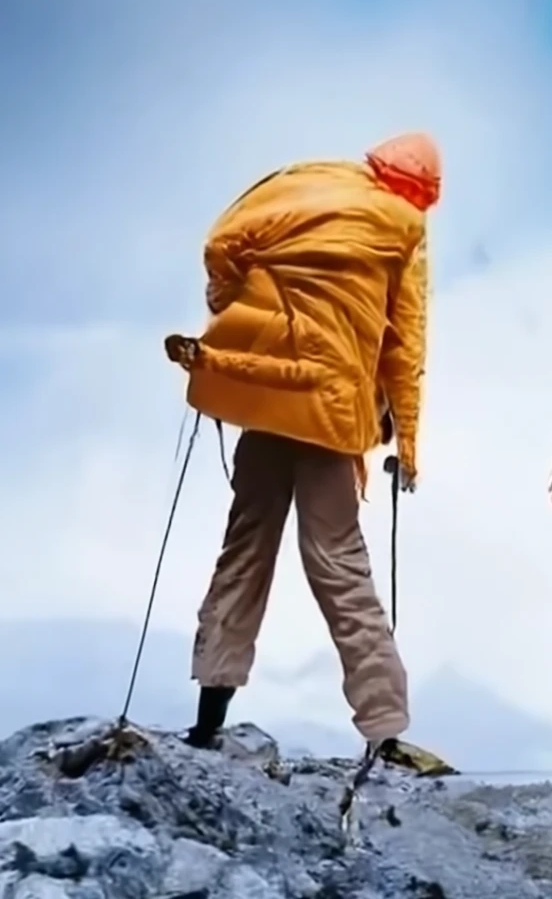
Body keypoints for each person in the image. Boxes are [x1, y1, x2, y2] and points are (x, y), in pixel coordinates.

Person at [164, 132, 441, 757]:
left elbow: (221, 246)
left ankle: (208, 720)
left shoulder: (306, 185)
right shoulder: (406, 228)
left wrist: (237, 317)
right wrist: (410, 442)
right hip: (332, 409)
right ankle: (386, 733)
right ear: (423, 190)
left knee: (245, 548)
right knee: (339, 563)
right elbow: (405, 346)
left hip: (265, 400)